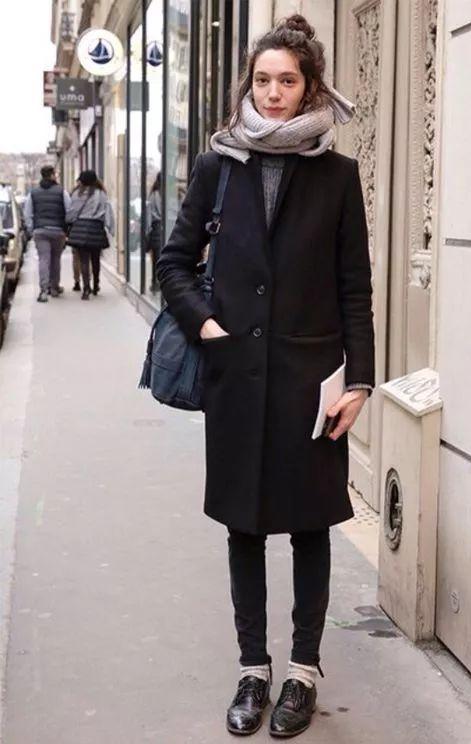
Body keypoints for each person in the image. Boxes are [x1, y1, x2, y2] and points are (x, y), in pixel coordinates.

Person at [157, 14, 374, 739]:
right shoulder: (219, 165)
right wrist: (206, 327)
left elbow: (355, 289)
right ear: (248, 85)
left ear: (310, 87)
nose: (273, 92)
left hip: (313, 382)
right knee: (243, 528)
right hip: (239, 380)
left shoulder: (338, 177)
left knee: (311, 528)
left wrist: (360, 382)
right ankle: (254, 668)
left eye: (287, 81)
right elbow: (174, 263)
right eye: (262, 80)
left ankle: (303, 673)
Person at [24, 164, 71, 303]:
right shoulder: (62, 191)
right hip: (58, 231)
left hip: (40, 230)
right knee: (56, 259)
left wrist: (31, 229)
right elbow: (69, 210)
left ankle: (43, 291)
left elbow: (27, 213)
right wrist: (66, 227)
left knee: (44, 259)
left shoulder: (33, 193)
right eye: (55, 174)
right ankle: (54, 288)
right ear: (52, 175)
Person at [67, 170, 115, 300]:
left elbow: (71, 213)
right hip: (96, 228)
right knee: (95, 259)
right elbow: (107, 212)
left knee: (83, 260)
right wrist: (111, 229)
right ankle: (96, 284)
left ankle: (86, 288)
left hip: (80, 228)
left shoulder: (76, 194)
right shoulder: (101, 194)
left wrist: (69, 223)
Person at [146, 172, 162, 293]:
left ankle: (155, 282)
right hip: (171, 228)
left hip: (157, 229)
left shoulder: (153, 195)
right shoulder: (175, 194)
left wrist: (147, 231)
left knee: (156, 258)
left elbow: (149, 215)